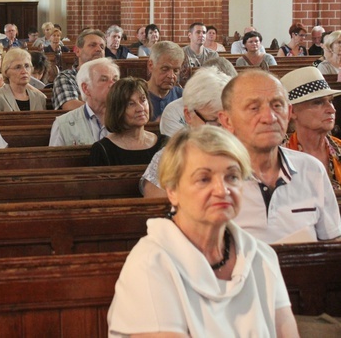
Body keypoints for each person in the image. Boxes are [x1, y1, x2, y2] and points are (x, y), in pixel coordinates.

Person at [108, 126, 300, 338]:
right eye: (204, 179)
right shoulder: (150, 263)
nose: (222, 190)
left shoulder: (261, 256)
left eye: (232, 177)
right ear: (172, 190)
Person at [219, 69, 341, 243]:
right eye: (254, 108)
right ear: (227, 121)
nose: (269, 118)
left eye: (277, 106)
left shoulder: (312, 169)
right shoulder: (211, 179)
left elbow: (333, 243)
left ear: (288, 111)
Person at [141, 66, 233, 197]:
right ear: (188, 115)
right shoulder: (171, 157)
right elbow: (156, 206)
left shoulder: (243, 152)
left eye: (228, 121)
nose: (223, 131)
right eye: (214, 121)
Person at [281, 66, 341, 189]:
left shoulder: (339, 148)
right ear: (292, 112)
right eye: (318, 102)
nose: (332, 109)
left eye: (330, 101)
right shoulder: (280, 158)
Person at [89, 77, 167, 166]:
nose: (140, 108)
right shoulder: (103, 150)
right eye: (131, 104)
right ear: (117, 110)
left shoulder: (165, 144)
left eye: (143, 100)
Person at [49, 57, 119, 146]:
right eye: (104, 79)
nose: (112, 84)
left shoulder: (128, 119)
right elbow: (56, 159)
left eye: (115, 79)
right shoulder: (63, 124)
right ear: (86, 88)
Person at [53, 29, 106, 110]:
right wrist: (107, 109)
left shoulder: (110, 78)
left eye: (102, 47)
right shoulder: (67, 77)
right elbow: (71, 106)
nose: (99, 49)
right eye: (92, 45)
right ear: (77, 51)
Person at [147, 40, 184, 121]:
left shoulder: (183, 97)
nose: (171, 76)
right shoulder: (137, 97)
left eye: (176, 71)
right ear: (151, 65)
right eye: (165, 69)